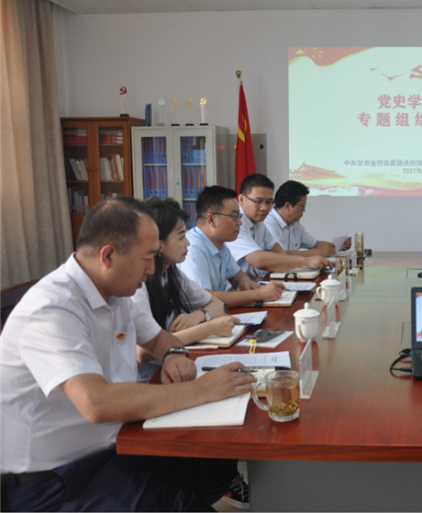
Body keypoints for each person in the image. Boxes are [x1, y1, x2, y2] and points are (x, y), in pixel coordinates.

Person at [0, 197, 254, 511]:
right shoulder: (52, 308)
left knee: (212, 464)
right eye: (147, 257)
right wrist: (203, 390)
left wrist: (174, 355)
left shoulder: (116, 294)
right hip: (58, 479)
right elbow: (97, 403)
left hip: (115, 446)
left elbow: (159, 339)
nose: (152, 269)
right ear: (108, 255)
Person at [132, 197, 237, 380]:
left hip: (172, 367)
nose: (187, 243)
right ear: (158, 243)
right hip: (148, 380)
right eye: (181, 236)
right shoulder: (138, 284)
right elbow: (143, 353)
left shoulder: (171, 273)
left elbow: (218, 305)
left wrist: (201, 315)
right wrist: (208, 328)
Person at [177, 185, 284, 308]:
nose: (240, 222)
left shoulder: (220, 244)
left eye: (239, 217)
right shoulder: (193, 248)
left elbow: (236, 275)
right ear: (211, 220)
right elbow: (204, 298)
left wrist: (245, 283)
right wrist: (257, 294)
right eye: (234, 217)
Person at [226, 175, 331, 280]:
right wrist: (306, 261)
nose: (264, 208)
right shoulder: (235, 222)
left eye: (269, 202)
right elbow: (258, 260)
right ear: (241, 199)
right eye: (258, 201)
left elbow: (279, 252)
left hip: (255, 283)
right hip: (236, 288)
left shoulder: (259, 221)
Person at [264, 179, 351, 257]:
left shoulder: (295, 225)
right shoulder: (268, 223)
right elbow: (280, 255)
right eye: (302, 206)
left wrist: (336, 247)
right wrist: (317, 252)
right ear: (288, 206)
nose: (304, 210)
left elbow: (315, 244)